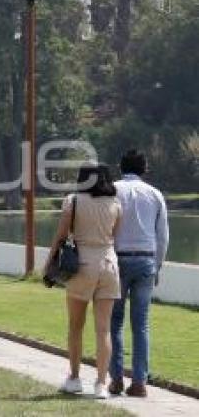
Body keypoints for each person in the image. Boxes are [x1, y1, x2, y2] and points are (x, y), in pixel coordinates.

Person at [49, 164, 121, 399]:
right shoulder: (115, 203)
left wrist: (49, 262)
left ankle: (75, 377)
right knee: (104, 329)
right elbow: (114, 236)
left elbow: (61, 235)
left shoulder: (73, 200)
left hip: (81, 265)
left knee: (75, 326)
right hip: (109, 264)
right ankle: (101, 383)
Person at [109, 150, 169, 397]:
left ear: (120, 167)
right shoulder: (155, 194)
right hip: (145, 259)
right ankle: (140, 382)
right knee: (141, 324)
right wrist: (158, 265)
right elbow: (162, 236)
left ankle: (116, 379)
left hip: (117, 259)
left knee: (114, 322)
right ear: (144, 169)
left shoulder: (112, 190)